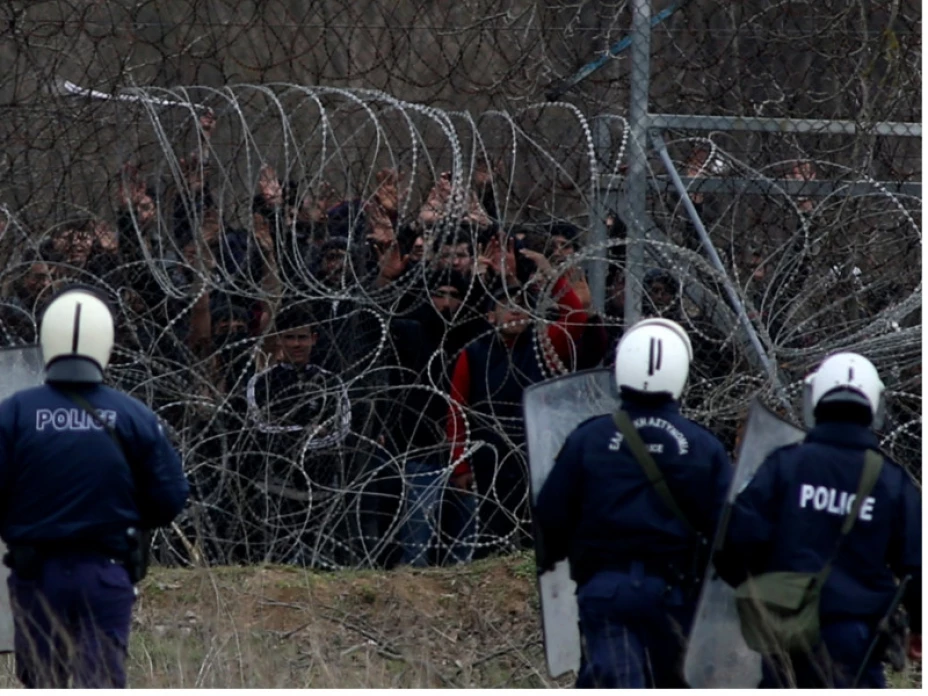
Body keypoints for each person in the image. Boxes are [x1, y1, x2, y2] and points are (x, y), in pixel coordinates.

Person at [0, 285, 189, 688]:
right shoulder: (133, 415)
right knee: (101, 680)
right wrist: (126, 518)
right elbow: (170, 498)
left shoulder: (14, 413)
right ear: (105, 342)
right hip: (106, 572)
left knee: (43, 682)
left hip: (36, 575)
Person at [533, 317, 733, 688]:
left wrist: (556, 559)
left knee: (614, 677)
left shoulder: (589, 438)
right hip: (675, 594)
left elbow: (551, 513)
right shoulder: (704, 447)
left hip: (605, 590)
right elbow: (727, 531)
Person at [713, 352, 922, 688]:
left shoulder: (784, 466)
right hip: (858, 637)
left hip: (786, 630)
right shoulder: (891, 482)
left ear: (815, 399)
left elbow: (735, 542)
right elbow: (916, 565)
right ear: (875, 405)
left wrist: (762, 593)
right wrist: (917, 626)